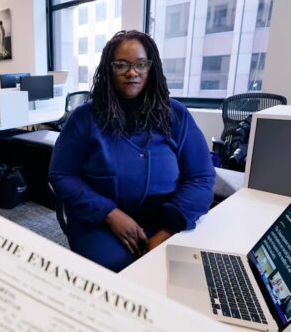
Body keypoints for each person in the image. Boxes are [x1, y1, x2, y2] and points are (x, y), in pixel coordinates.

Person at [49, 30, 215, 272]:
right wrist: (110, 213)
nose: (132, 72)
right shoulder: (84, 118)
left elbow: (201, 178)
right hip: (101, 222)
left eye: (140, 64)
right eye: (121, 65)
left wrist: (167, 230)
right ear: (109, 69)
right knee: (119, 273)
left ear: (151, 68)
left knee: (190, 274)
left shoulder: (176, 115)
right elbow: (62, 175)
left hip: (167, 222)